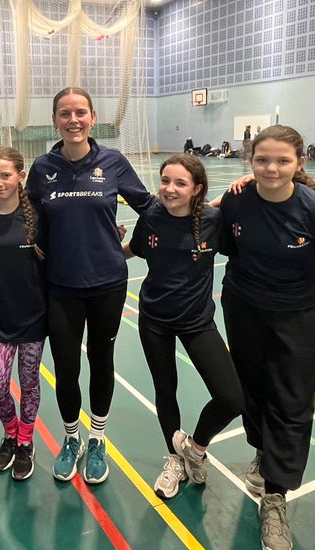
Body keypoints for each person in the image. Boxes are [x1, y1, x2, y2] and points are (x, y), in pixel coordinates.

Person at [217, 125, 315, 550]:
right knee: (251, 388)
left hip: (298, 313)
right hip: (243, 306)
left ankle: (276, 496)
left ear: (299, 163)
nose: (271, 169)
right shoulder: (236, 197)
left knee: (291, 401)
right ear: (249, 161)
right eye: (261, 160)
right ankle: (262, 454)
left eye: (282, 161)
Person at [26, 87, 156, 485]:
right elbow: (26, 215)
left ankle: (97, 438)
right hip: (61, 285)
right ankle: (71, 438)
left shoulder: (113, 162)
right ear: (55, 121)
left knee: (102, 361)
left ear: (93, 117)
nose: (73, 120)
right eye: (65, 114)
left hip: (107, 284)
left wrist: (129, 249)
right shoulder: (43, 167)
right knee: (66, 367)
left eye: (80, 112)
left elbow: (149, 206)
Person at [124, 154, 243, 500]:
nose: (169, 189)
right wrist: (100, 261)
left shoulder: (214, 220)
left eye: (179, 183)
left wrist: (246, 182)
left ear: (197, 190)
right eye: (165, 181)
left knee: (232, 398)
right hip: (155, 320)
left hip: (197, 321)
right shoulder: (151, 217)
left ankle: (195, 447)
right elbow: (134, 249)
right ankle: (175, 459)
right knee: (166, 390)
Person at [0, 147, 46, 481]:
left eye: (5, 175)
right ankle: (11, 431)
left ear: (21, 176)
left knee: (29, 382)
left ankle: (26, 441)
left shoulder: (39, 214)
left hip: (34, 318)